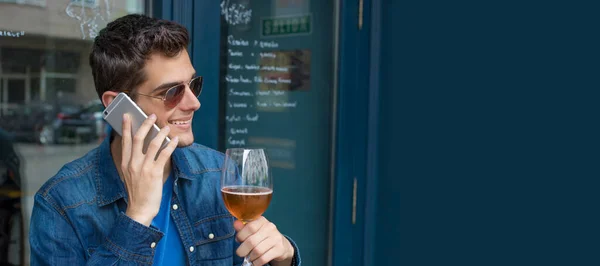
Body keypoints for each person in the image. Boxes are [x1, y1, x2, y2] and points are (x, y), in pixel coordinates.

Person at [29, 14, 300, 266]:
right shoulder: (60, 203)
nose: (194, 103)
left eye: (193, 85)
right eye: (172, 92)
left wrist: (283, 258)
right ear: (118, 106)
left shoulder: (219, 174)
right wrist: (137, 217)